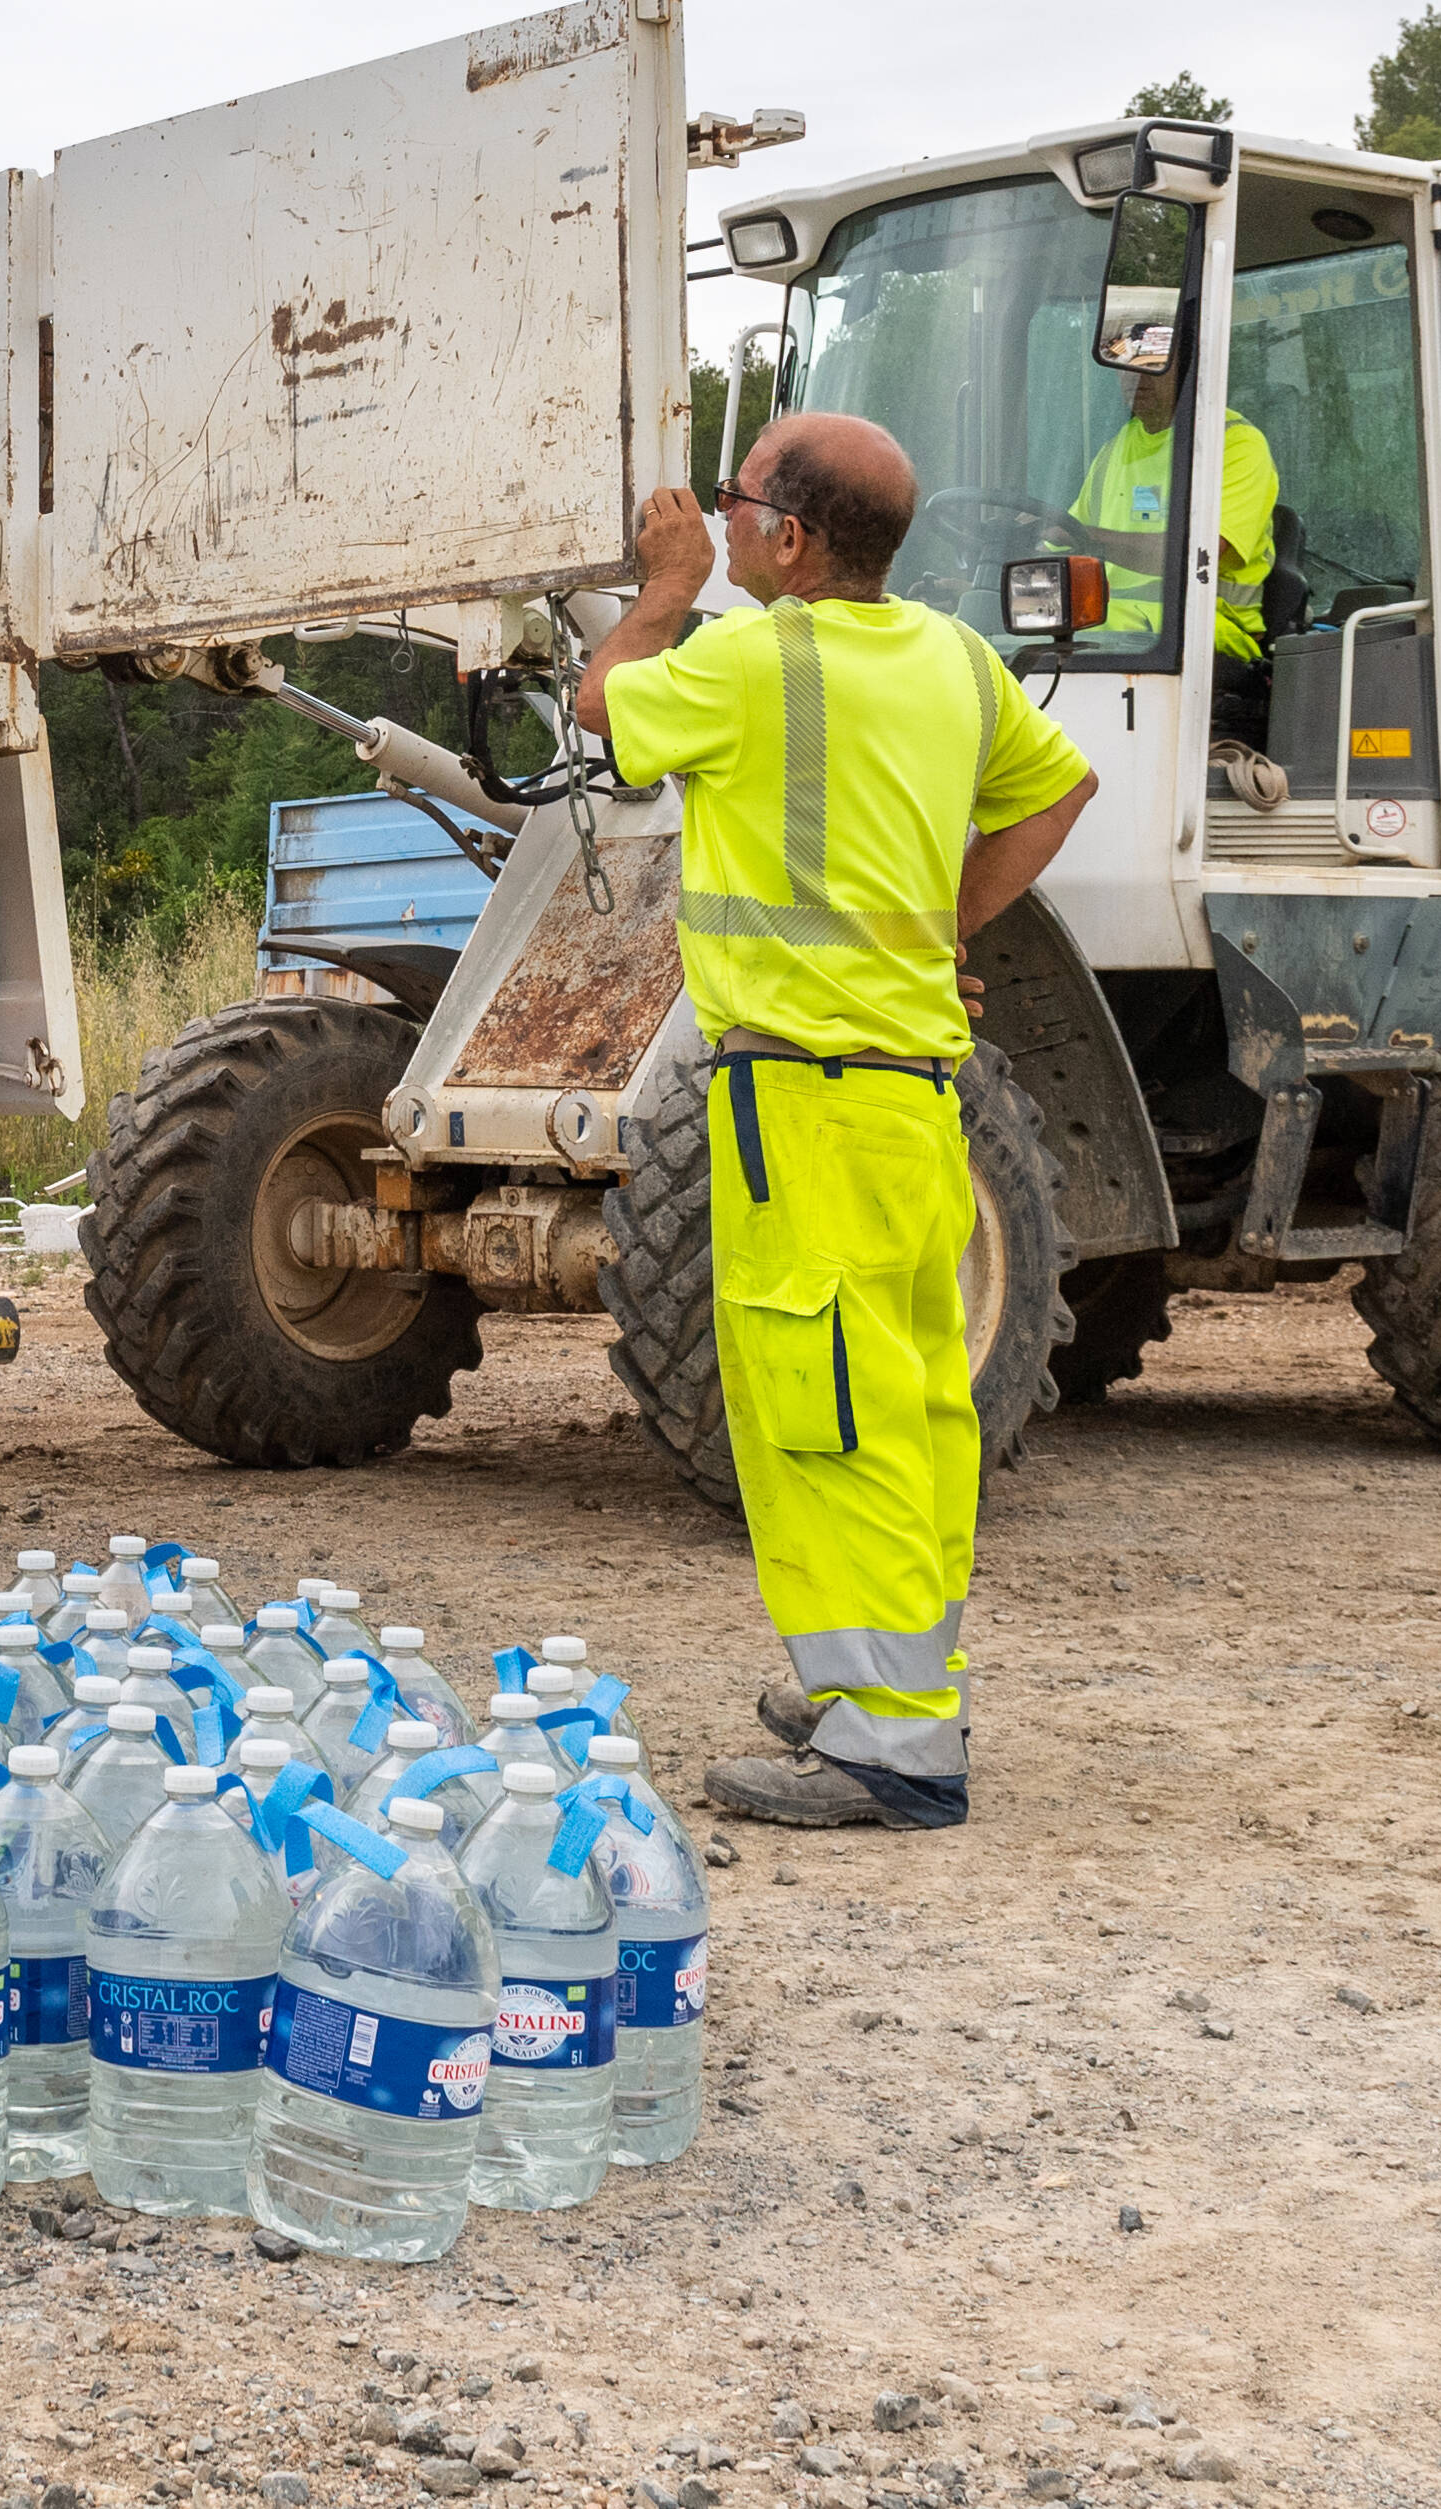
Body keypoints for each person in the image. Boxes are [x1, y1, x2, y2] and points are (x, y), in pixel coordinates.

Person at [572, 414, 1098, 1831]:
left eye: (737, 503)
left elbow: (597, 710)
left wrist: (662, 587)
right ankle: (878, 1689)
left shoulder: (745, 659)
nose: (723, 519)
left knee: (822, 1413)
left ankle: (894, 1753)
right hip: (916, 1098)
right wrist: (936, 929)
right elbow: (1058, 792)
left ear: (790, 538)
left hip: (797, 1098)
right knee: (911, 1406)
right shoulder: (949, 660)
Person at [1051, 350, 1279, 746]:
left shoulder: (1234, 443)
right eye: (1124, 366)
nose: (1134, 378)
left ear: (1189, 364)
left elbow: (1201, 553)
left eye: (1151, 363)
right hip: (1115, 619)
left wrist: (1091, 538)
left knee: (1080, 636)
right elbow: (1061, 541)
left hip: (1209, 624)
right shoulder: (1115, 450)